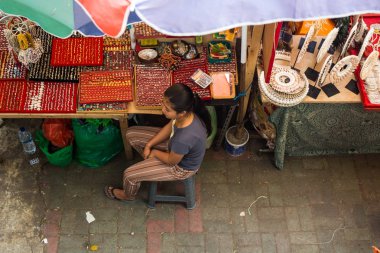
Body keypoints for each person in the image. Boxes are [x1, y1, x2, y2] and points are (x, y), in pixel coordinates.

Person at [104, 83, 211, 202]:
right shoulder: (185, 115)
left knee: (129, 175)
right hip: (173, 147)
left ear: (182, 113)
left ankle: (127, 195)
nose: (162, 109)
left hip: (179, 167)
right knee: (131, 134)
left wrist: (154, 152)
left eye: (167, 109)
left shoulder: (184, 138)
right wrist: (149, 145)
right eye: (163, 104)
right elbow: (170, 126)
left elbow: (171, 161)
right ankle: (150, 165)